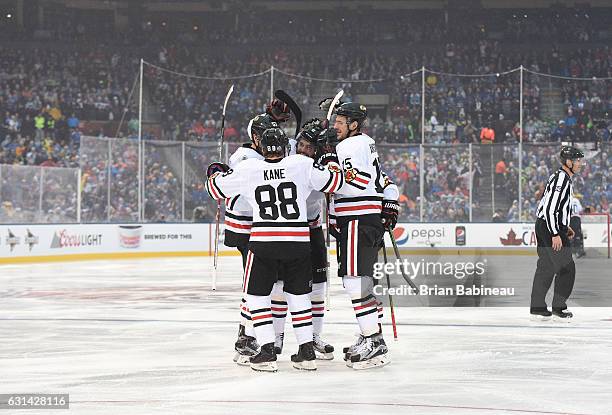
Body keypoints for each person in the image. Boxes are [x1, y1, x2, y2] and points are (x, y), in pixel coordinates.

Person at [206, 127, 343, 372]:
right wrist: (330, 158)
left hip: (264, 243)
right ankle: (306, 351)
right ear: (284, 146)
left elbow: (215, 190)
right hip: (299, 243)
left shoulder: (249, 169)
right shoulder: (300, 164)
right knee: (300, 297)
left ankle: (267, 350)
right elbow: (335, 181)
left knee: (257, 296)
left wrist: (216, 172)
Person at [319, 102, 399, 369]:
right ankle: (369, 335)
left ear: (354, 124)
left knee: (355, 282)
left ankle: (374, 341)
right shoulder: (364, 142)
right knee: (361, 281)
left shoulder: (350, 146)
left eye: (340, 123)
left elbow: (352, 181)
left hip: (357, 218)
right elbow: (380, 179)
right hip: (364, 219)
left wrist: (329, 158)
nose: (335, 126)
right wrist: (389, 200)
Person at [222, 113, 278, 365]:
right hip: (247, 229)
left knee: (258, 283)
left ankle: (248, 334)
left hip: (253, 227)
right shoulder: (247, 158)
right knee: (255, 285)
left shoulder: (251, 154)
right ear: (255, 137)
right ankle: (245, 337)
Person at [530, 146, 584, 321]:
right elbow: (552, 208)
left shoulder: (560, 177)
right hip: (549, 227)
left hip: (544, 224)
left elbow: (549, 205)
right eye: (577, 160)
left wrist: (563, 225)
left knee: (546, 267)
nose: (580, 163)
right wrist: (555, 232)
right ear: (568, 162)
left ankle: (537, 306)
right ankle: (559, 308)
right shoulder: (562, 179)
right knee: (567, 268)